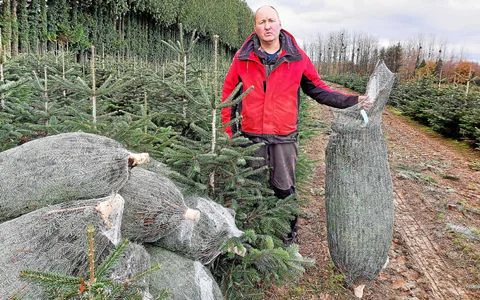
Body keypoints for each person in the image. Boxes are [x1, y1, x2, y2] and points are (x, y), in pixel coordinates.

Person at [221, 5, 373, 244]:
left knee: (284, 188)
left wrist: (352, 101)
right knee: (253, 187)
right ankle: (253, 237)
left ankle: (287, 237)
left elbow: (318, 88)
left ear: (280, 24)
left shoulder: (297, 58)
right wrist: (229, 133)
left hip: (284, 136)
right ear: (256, 28)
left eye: (271, 20)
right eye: (262, 22)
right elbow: (229, 94)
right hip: (250, 137)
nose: (267, 26)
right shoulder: (243, 59)